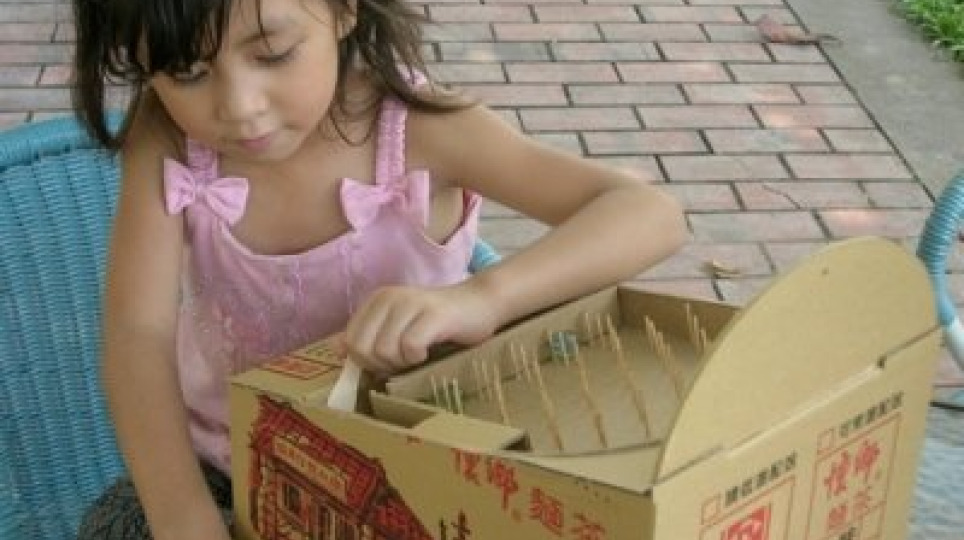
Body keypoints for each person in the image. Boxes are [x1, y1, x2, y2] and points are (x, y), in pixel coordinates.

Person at [70, 0, 686, 538]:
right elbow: (137, 333)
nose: (239, 107)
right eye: (187, 72)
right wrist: (185, 519)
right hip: (227, 462)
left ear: (345, 8)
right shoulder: (168, 137)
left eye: (274, 54)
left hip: (413, 468)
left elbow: (649, 214)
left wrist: (484, 298)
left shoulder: (422, 128)